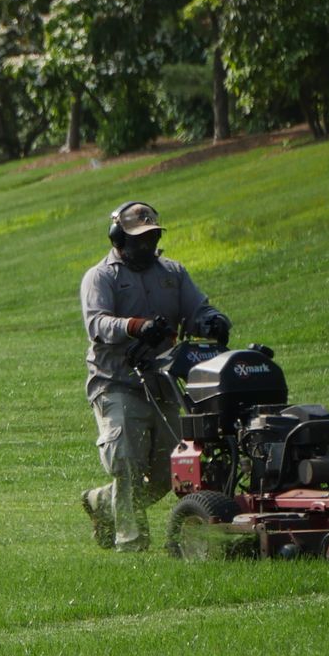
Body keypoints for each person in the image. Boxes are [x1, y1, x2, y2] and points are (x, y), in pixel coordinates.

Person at [79, 200, 231, 552]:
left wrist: (211, 320)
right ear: (118, 238)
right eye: (139, 239)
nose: (147, 245)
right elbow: (97, 323)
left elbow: (196, 309)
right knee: (127, 459)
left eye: (152, 237)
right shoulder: (100, 277)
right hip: (117, 382)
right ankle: (132, 544)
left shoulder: (172, 273)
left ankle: (103, 503)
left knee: (173, 470)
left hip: (164, 383)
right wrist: (136, 326)